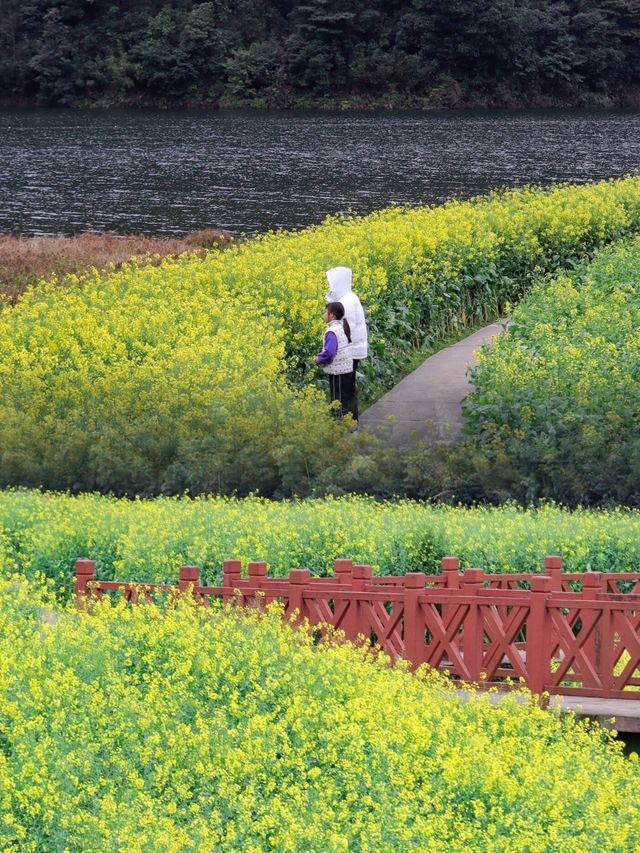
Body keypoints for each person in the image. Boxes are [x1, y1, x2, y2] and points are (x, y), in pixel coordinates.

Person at [325, 266, 367, 422]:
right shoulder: (349, 298)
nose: (330, 287)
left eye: (331, 283)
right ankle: (350, 421)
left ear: (338, 283)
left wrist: (332, 354)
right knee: (347, 388)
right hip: (352, 352)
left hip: (347, 355)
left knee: (343, 389)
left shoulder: (346, 302)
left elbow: (341, 331)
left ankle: (346, 422)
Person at [316, 301, 355, 419]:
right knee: (345, 398)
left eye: (325, 312)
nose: (324, 314)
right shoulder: (342, 326)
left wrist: (318, 359)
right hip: (346, 369)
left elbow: (329, 353)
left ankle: (338, 425)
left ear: (331, 315)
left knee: (337, 400)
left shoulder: (332, 331)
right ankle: (349, 425)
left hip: (337, 371)